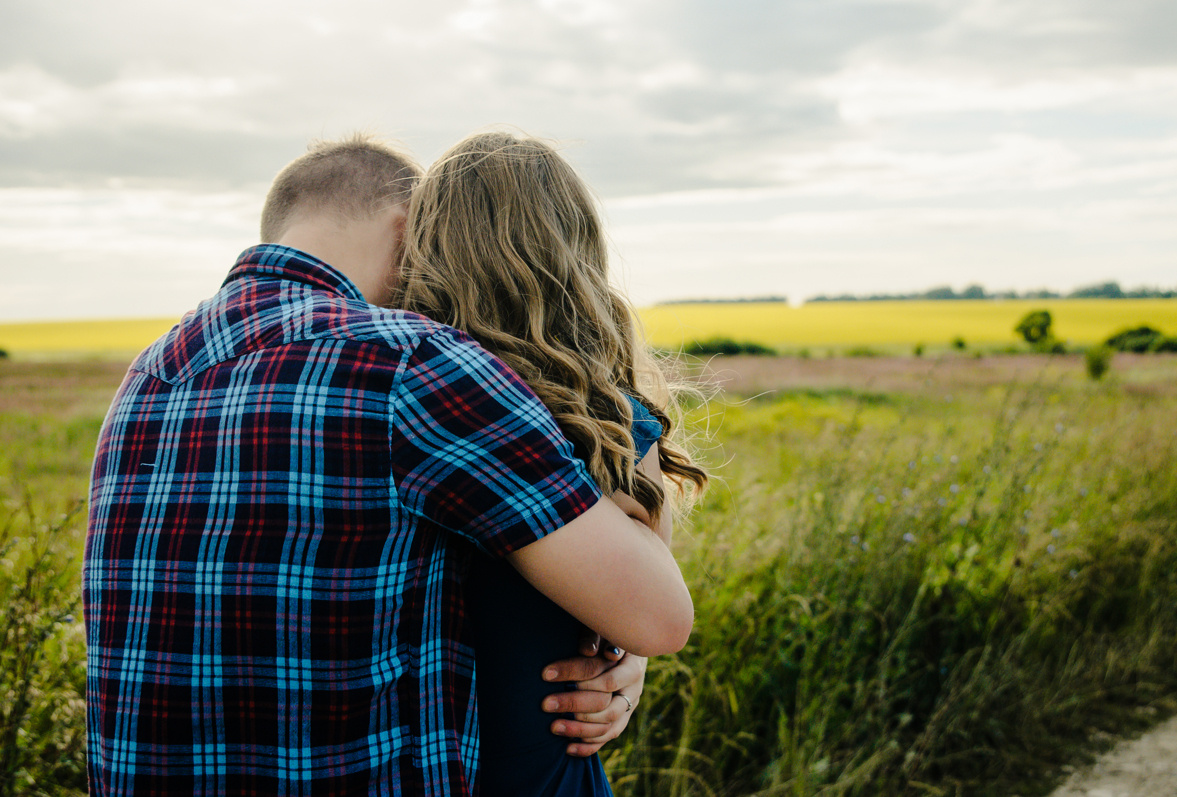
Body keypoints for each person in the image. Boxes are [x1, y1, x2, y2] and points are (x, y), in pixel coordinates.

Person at [83, 135, 692, 796]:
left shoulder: (148, 374)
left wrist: (616, 653)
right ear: (408, 230)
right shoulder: (411, 364)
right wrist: (625, 653)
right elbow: (656, 613)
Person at [393, 130, 708, 796]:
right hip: (543, 769)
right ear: (577, 253)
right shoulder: (612, 424)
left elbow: (637, 625)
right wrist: (628, 667)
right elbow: (638, 612)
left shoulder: (403, 402)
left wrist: (627, 669)